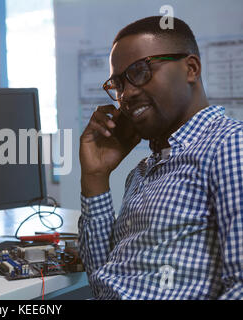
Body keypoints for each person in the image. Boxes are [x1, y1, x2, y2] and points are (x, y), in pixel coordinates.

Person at [78, 16, 243, 299]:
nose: (125, 94)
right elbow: (103, 281)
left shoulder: (229, 146)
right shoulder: (143, 171)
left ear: (190, 69)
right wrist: (95, 177)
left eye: (140, 72)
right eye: (117, 84)